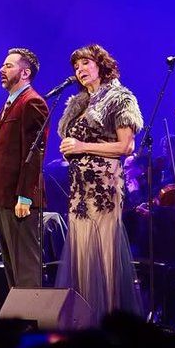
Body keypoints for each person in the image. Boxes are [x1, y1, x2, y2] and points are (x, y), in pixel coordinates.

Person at [55, 44, 144, 324]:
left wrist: (81, 145)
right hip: (79, 188)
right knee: (81, 253)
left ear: (101, 65)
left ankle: (109, 320)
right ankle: (83, 319)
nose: (80, 70)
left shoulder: (119, 97)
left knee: (104, 253)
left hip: (104, 186)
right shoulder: (79, 104)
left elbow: (126, 146)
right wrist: (70, 149)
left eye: (86, 63)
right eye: (76, 66)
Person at [0, 47, 50, 292]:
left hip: (18, 198)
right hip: (1, 196)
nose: (2, 69)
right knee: (12, 268)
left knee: (26, 268)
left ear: (25, 72)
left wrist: (25, 195)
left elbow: (33, 154)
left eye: (9, 65)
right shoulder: (11, 102)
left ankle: (31, 322)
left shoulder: (32, 102)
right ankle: (19, 320)